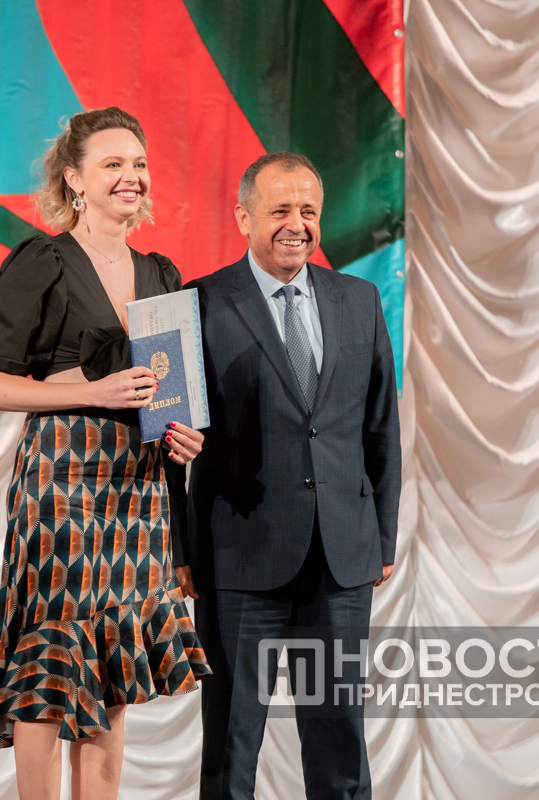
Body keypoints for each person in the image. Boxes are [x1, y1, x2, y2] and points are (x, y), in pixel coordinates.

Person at [0, 107, 210, 800]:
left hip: (139, 490)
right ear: (75, 180)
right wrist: (95, 392)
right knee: (49, 667)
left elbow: (171, 397)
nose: (131, 176)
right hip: (62, 485)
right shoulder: (42, 262)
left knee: (113, 670)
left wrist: (185, 437)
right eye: (113, 164)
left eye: (138, 163)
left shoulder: (162, 273)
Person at [174, 152, 402, 800]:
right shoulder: (197, 303)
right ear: (244, 217)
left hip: (342, 558)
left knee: (340, 745)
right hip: (238, 559)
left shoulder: (359, 300)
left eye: (308, 211)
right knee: (231, 746)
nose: (296, 225)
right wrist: (180, 548)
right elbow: (169, 445)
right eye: (280, 210)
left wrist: (383, 538)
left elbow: (381, 428)